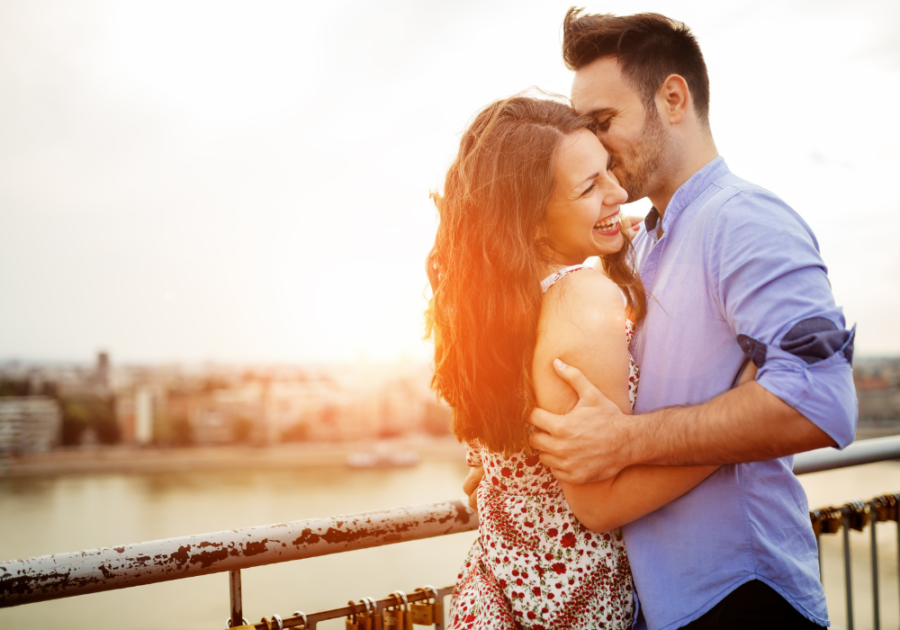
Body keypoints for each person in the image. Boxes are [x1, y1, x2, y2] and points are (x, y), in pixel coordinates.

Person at [516, 9, 856, 630]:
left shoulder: (743, 220)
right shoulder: (639, 244)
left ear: (673, 97)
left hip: (744, 597)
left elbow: (822, 401)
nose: (592, 144)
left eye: (603, 121)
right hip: (663, 606)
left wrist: (626, 442)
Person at [426, 95, 743, 630]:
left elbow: (507, 457)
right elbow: (598, 506)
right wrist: (734, 436)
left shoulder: (484, 307)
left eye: (608, 173)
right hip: (566, 609)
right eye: (588, 187)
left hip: (496, 595)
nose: (618, 193)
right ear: (529, 219)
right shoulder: (581, 298)